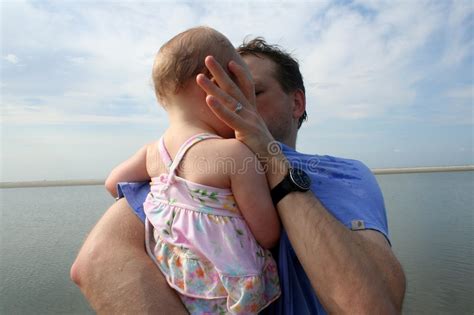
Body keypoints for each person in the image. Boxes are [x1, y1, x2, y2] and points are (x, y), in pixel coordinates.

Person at [71, 35, 406, 314]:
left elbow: (370, 306)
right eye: (223, 91)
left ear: (297, 103)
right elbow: (97, 262)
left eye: (250, 92)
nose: (234, 106)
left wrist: (269, 155)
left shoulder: (343, 173)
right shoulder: (193, 167)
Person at [103, 27, 281, 314]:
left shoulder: (152, 153)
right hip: (230, 294)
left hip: (176, 284)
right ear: (215, 86)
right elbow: (268, 234)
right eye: (242, 92)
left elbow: (113, 184)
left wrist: (168, 196)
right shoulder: (233, 154)